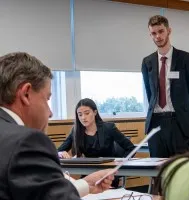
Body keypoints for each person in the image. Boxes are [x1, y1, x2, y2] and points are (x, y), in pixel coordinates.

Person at [0, 52, 114, 200]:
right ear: (26, 94)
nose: (50, 112)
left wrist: (86, 184)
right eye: (47, 99)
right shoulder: (26, 142)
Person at [142, 15, 189, 158]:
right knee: (158, 172)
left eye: (161, 31)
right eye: (154, 33)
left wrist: (183, 111)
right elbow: (150, 94)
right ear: (150, 35)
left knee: (180, 170)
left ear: (169, 31)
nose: (158, 36)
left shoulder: (186, 59)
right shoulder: (147, 62)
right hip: (155, 123)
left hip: (179, 123)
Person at [58, 98, 135, 159]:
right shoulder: (76, 131)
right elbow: (58, 151)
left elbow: (131, 148)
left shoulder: (109, 128)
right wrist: (61, 153)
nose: (83, 117)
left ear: (95, 112)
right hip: (89, 171)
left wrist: (121, 162)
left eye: (87, 113)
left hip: (108, 171)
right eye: (80, 115)